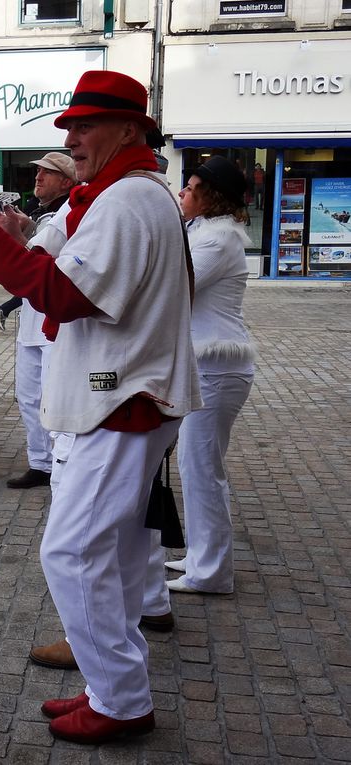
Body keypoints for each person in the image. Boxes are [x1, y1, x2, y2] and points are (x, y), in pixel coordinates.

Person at [0, 70, 199, 745]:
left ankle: (120, 698)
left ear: (132, 129)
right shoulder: (117, 193)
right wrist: (9, 232)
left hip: (120, 399)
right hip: (119, 395)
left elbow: (63, 293)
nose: (72, 136)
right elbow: (63, 269)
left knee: (73, 552)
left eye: (87, 124)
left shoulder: (127, 199)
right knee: (96, 552)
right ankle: (111, 686)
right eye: (69, 125)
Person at [166, 156, 256, 596]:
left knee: (202, 468)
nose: (183, 192)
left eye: (192, 186)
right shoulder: (202, 232)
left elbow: (175, 286)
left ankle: (213, 570)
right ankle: (202, 555)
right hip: (207, 364)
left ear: (211, 196)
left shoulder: (217, 239)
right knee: (194, 465)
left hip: (217, 365)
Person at [0, 152, 77, 490]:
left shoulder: (71, 211)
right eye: (38, 172)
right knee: (28, 396)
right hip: (31, 319)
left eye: (48, 173)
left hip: (55, 320)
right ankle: (40, 462)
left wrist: (17, 233)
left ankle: (62, 465)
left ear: (67, 181)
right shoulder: (39, 212)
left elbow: (41, 259)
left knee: (55, 396)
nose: (39, 178)